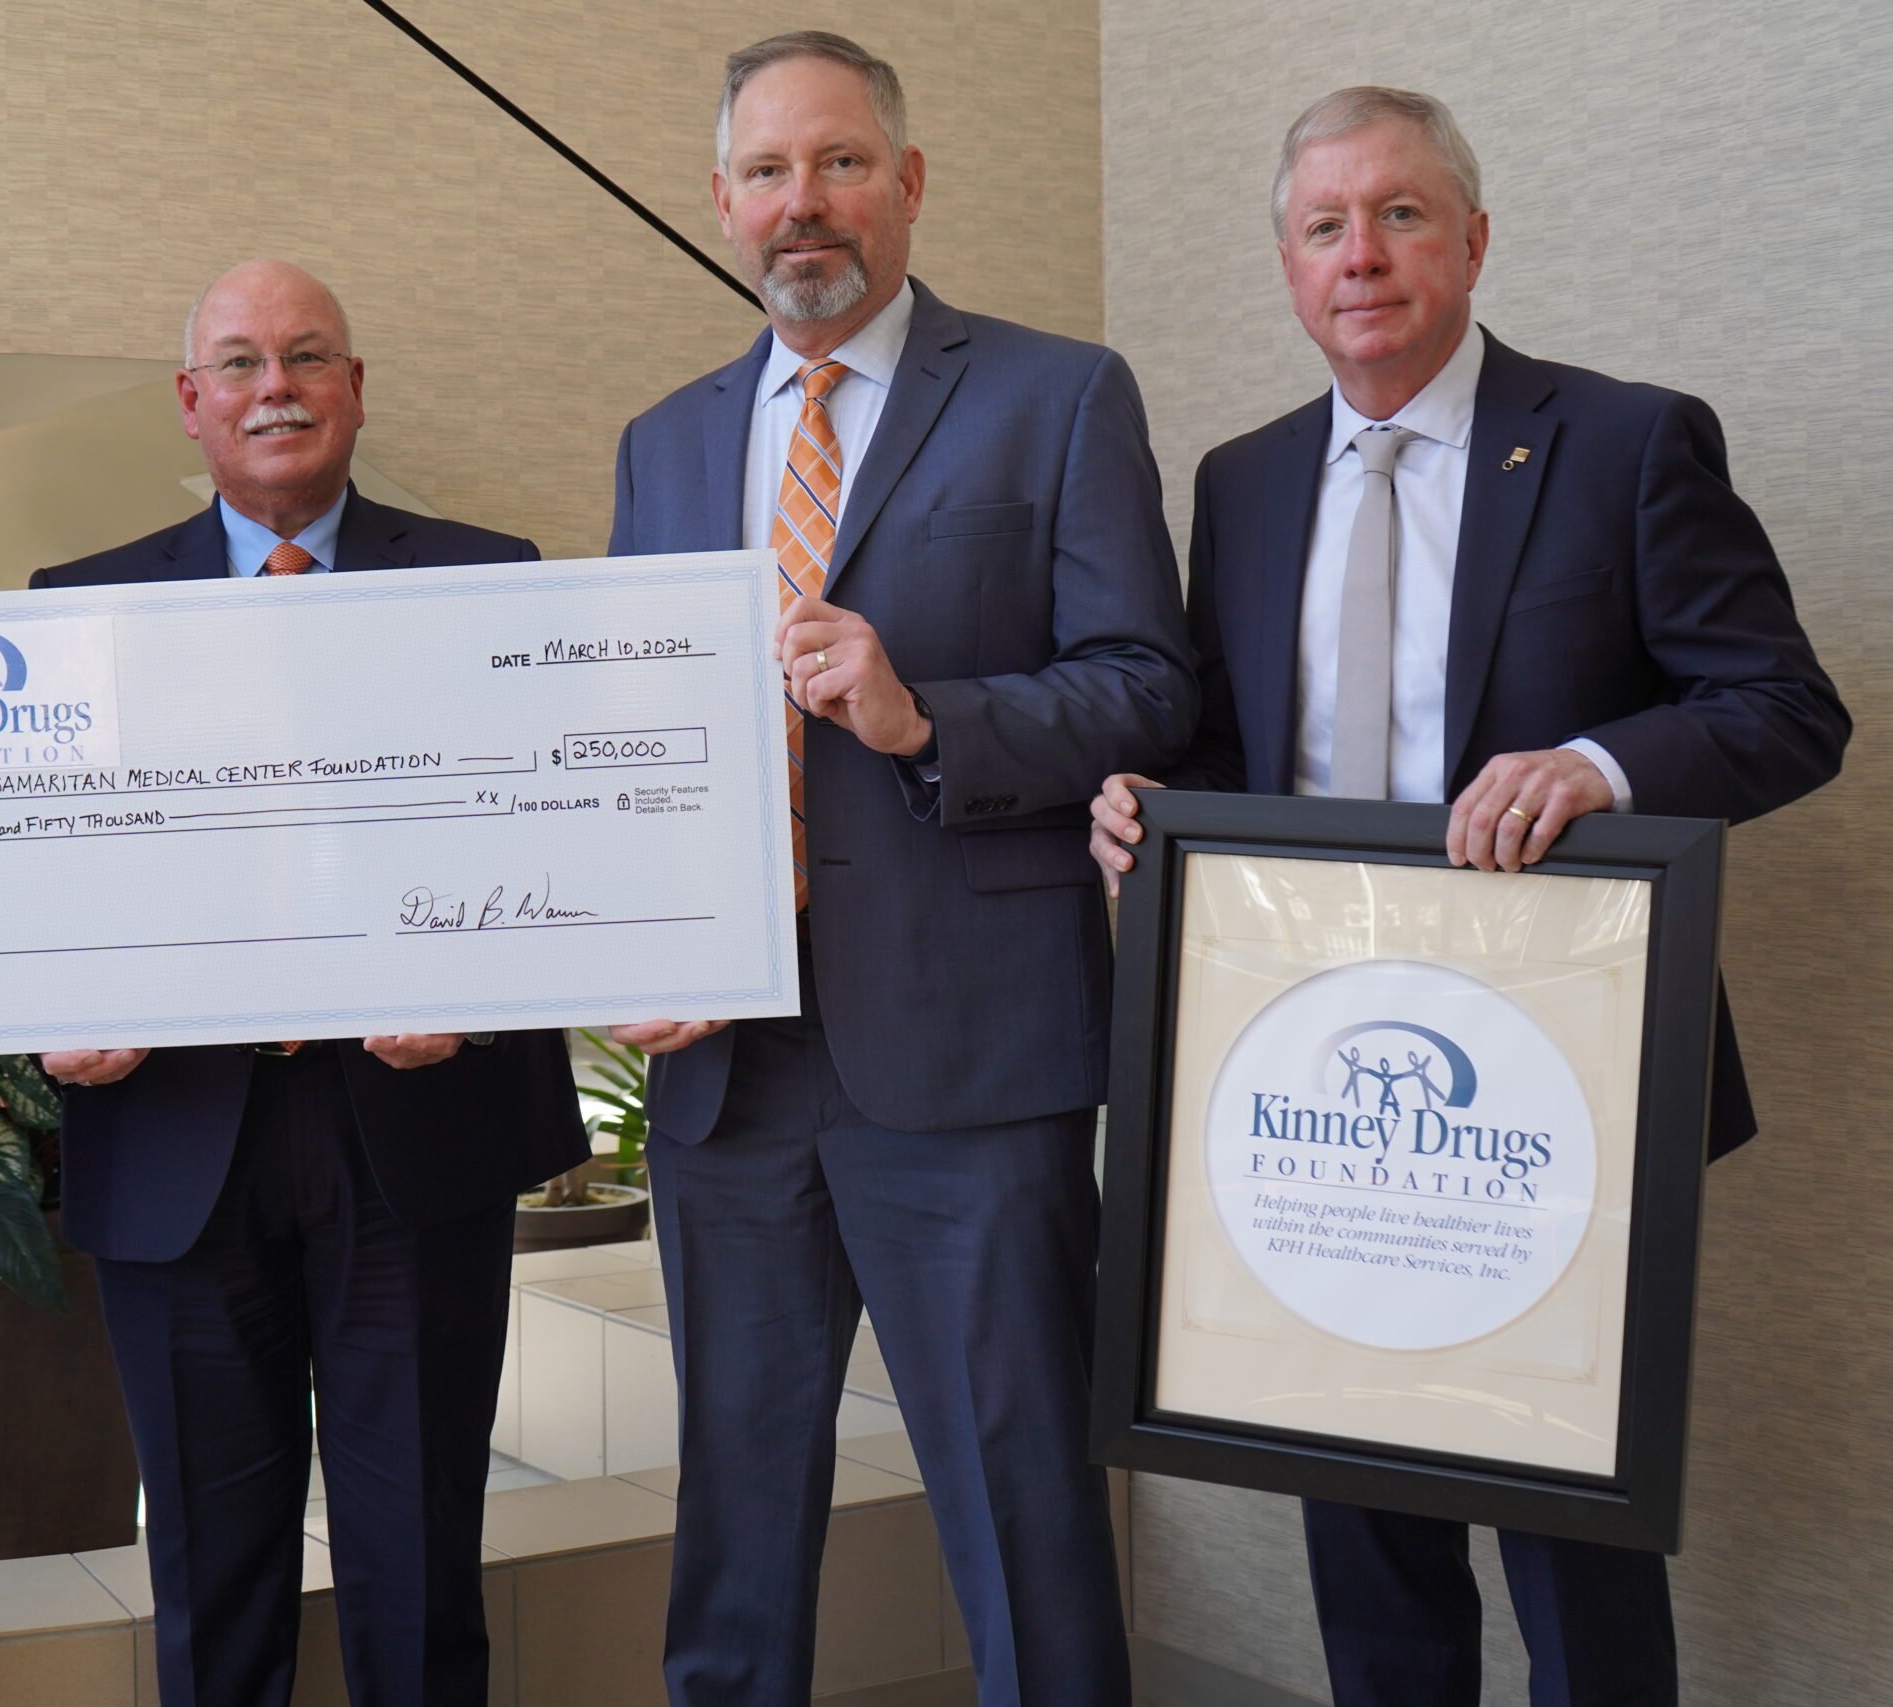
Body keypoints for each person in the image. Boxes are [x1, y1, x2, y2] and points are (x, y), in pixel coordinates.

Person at [1088, 87, 1849, 1706]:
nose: (1360, 254)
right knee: (1364, 1537)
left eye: (1401, 214)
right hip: (1319, 1092)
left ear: (1475, 238)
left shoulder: (1629, 441)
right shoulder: (1245, 479)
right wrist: (1151, 809)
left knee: (1570, 1532)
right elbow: (1234, 752)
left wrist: (1597, 763)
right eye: (1322, 226)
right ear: (1288, 268)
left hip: (1556, 1098)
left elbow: (1787, 709)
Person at [606, 32, 1196, 1706]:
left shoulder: (1056, 393)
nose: (809, 204)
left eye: (843, 164)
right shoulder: (665, 439)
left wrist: (919, 715)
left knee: (1021, 1516)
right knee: (732, 1519)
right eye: (772, 172)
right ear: (723, 202)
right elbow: (638, 739)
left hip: (971, 1057)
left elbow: (1147, 684)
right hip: (728, 1070)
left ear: (910, 184)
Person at [30, 259, 588, 1707]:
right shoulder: (71, 613)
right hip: (174, 1141)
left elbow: (557, 834)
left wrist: (485, 980)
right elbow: (36, 885)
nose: (273, 386)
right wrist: (50, 1013)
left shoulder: (491, 579)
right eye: (239, 362)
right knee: (212, 1590)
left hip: (416, 1128)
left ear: (353, 389)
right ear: (191, 401)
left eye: (306, 356)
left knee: (419, 1572)